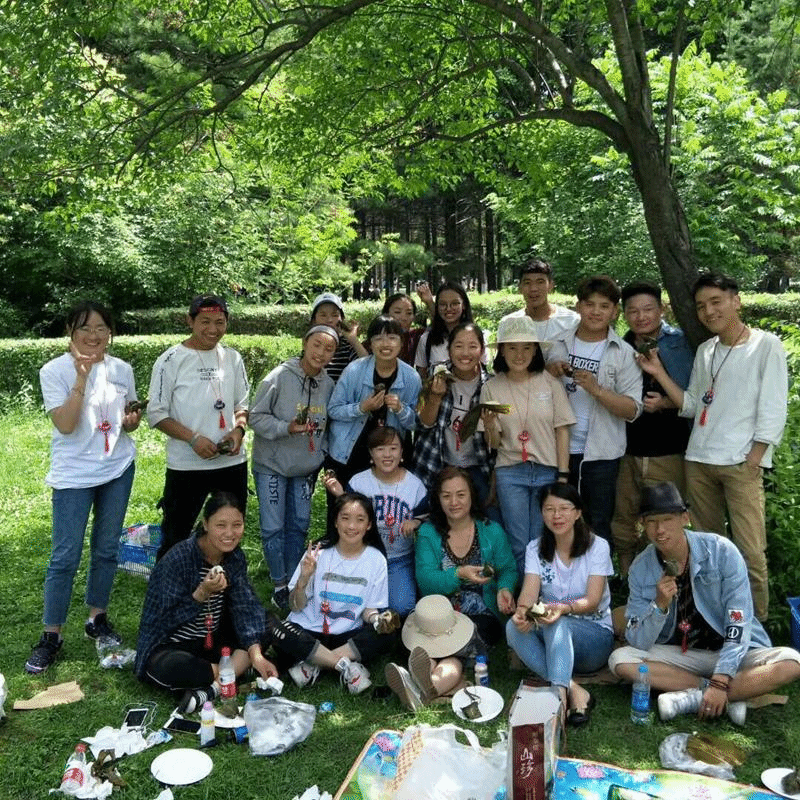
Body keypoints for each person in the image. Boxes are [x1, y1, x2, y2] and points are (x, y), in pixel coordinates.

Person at [637, 273, 787, 621]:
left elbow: (774, 407)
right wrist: (658, 372)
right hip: (699, 460)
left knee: (750, 550)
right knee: (706, 550)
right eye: (701, 306)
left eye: (716, 302)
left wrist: (754, 458)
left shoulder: (765, 345)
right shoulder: (706, 350)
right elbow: (693, 404)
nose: (708, 311)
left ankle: (756, 627)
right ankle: (714, 622)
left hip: (740, 463)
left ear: (736, 301)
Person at [609, 482, 800, 725]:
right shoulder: (640, 568)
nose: (660, 530)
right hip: (685, 654)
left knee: (792, 662)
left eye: (667, 519)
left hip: (735, 650)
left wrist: (722, 678)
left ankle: (694, 698)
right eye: (651, 522)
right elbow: (637, 640)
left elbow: (738, 621)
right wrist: (659, 605)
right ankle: (728, 693)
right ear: (642, 525)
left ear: (685, 518)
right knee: (620, 660)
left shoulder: (722, 551)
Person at [26, 301, 142, 674]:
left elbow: (126, 418)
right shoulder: (54, 370)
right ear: (70, 332)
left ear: (111, 333)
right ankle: (51, 635)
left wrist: (131, 420)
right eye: (84, 329)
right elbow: (65, 424)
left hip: (117, 468)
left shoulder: (122, 369)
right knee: (65, 556)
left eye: (101, 329)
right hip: (74, 475)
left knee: (106, 549)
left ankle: (97, 618)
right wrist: (81, 378)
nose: (93, 336)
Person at [135, 492, 278, 712]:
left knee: (266, 622)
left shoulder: (235, 557)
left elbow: (245, 607)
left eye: (237, 525)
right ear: (205, 524)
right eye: (221, 525)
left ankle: (213, 688)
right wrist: (201, 593)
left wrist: (256, 655)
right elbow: (163, 621)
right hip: (175, 644)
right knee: (170, 668)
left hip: (213, 640)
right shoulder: (179, 559)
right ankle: (234, 670)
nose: (229, 533)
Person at [147, 295, 249, 559]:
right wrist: (192, 439)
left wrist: (238, 431)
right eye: (205, 321)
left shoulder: (232, 358)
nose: (213, 329)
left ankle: (225, 581)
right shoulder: (171, 360)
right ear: (190, 321)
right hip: (187, 465)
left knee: (229, 534)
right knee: (176, 535)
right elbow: (156, 413)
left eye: (219, 322)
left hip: (231, 463)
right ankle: (171, 583)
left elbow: (242, 405)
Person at [507, 483, 614, 726]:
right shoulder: (535, 548)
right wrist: (522, 613)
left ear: (577, 513)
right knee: (512, 628)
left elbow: (593, 600)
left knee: (558, 624)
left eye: (564, 508)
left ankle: (557, 701)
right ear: (542, 513)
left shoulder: (598, 546)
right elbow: (529, 592)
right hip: (552, 635)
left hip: (594, 638)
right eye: (549, 509)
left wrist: (563, 609)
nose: (557, 515)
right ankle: (574, 689)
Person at [547, 275, 642, 547]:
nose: (596, 312)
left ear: (614, 311)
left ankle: (598, 575)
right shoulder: (557, 344)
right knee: (557, 521)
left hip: (601, 455)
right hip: (556, 451)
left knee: (598, 524)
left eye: (604, 306)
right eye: (590, 304)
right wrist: (549, 371)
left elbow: (633, 410)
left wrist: (597, 390)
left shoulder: (623, 353)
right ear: (578, 306)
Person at [250, 325, 339, 611]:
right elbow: (255, 417)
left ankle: (294, 581)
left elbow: (331, 424)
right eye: (316, 345)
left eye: (329, 349)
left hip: (305, 468)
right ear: (305, 343)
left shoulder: (328, 385)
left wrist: (322, 453)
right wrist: (285, 427)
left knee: (299, 525)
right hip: (272, 465)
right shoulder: (279, 377)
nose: (321, 353)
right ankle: (279, 584)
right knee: (273, 526)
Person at [611, 282, 694, 576]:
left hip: (669, 448)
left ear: (661, 309)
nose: (641, 316)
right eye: (633, 311)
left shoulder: (680, 343)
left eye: (648, 309)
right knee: (623, 517)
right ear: (624, 314)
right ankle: (629, 579)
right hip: (628, 448)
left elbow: (695, 394)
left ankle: (668, 579)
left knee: (664, 519)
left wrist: (665, 403)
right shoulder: (621, 345)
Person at [275, 492, 395, 694]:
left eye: (360, 520)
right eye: (345, 518)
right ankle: (345, 667)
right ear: (335, 522)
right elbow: (295, 606)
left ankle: (315, 663)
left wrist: (378, 620)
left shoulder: (376, 559)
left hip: (346, 636)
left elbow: (369, 610)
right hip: (310, 631)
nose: (351, 526)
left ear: (369, 525)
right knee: (277, 628)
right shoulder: (317, 553)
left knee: (388, 634)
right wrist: (304, 579)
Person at [481, 315, 575, 571]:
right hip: (510, 472)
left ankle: (544, 593)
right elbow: (494, 443)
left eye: (526, 347)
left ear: (535, 350)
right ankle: (524, 594)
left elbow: (562, 430)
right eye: (512, 348)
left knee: (543, 539)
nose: (519, 355)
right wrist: (489, 424)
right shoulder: (491, 387)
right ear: (502, 351)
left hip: (547, 471)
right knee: (519, 542)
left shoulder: (550, 383)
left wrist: (563, 475)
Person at [324, 426, 427, 616]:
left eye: (393, 448)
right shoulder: (359, 482)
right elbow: (350, 512)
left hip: (399, 559)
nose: (387, 455)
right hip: (365, 555)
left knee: (402, 608)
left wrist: (416, 522)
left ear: (402, 452)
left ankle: (380, 611)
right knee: (351, 604)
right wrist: (340, 495)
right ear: (371, 453)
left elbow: (426, 516)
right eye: (380, 449)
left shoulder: (415, 485)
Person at [415, 467, 518, 655]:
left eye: (461, 495)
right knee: (442, 635)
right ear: (438, 499)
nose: (454, 502)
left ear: (472, 495)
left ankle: (436, 660)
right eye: (446, 496)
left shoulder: (492, 530)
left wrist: (505, 588)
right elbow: (425, 581)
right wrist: (460, 574)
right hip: (440, 614)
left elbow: (508, 569)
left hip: (481, 614)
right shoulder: (428, 532)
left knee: (471, 634)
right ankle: (448, 660)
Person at [327, 315, 422, 491]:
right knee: (344, 504)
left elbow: (416, 424)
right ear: (370, 343)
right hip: (350, 451)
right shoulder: (354, 370)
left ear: (401, 343)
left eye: (392, 338)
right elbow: (333, 410)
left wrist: (400, 409)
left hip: (388, 457)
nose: (385, 344)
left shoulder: (411, 377)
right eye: (378, 338)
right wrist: (361, 407)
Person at [414, 322, 497, 516]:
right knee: (427, 518)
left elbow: (496, 444)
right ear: (449, 350)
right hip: (437, 463)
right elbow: (424, 424)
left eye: (472, 346)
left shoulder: (491, 385)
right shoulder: (437, 376)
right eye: (458, 346)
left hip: (477, 467)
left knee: (491, 519)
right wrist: (435, 397)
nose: (465, 353)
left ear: (482, 350)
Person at [385, 594, 476, 710]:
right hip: (428, 654)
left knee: (452, 664)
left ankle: (417, 690)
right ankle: (424, 689)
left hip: (443, 652)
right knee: (430, 661)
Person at [501, 257, 580, 355]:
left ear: (550, 285)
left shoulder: (571, 321)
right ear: (520, 287)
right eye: (527, 283)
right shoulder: (509, 323)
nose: (533, 288)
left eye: (540, 282)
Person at [414, 281, 484, 378]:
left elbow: (484, 373)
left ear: (464, 305)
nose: (448, 308)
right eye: (443, 304)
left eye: (455, 303)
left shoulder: (478, 337)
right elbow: (420, 377)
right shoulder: (427, 340)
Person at [309, 292, 368, 383]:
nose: (329, 320)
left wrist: (354, 340)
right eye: (323, 315)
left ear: (341, 319)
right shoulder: (311, 343)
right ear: (314, 320)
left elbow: (368, 366)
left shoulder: (347, 345)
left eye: (335, 315)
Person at [382, 288, 434, 366]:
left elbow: (440, 327)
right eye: (397, 312)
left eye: (409, 313)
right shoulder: (377, 339)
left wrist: (429, 302)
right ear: (386, 314)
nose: (404, 318)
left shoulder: (417, 336)